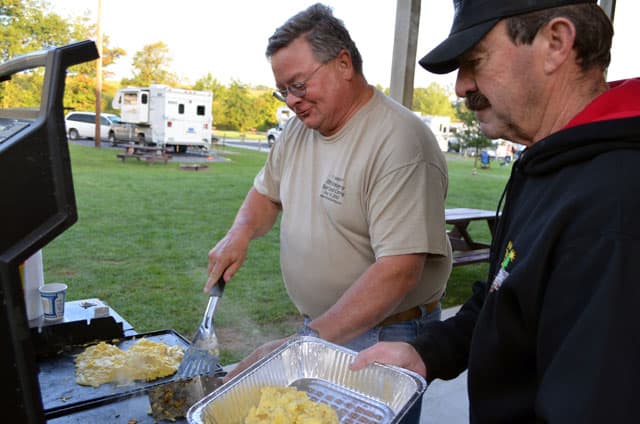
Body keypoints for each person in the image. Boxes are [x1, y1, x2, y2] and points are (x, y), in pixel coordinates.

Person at [351, 0, 640, 422]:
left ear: (556, 43)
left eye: (475, 61)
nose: (461, 87)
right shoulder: (548, 162)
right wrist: (425, 353)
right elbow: (502, 296)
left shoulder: (616, 205)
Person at [205, 1, 451, 393]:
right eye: (282, 90)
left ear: (343, 64)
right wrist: (240, 232)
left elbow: (400, 270)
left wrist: (306, 343)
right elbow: (266, 194)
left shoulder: (400, 143)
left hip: (385, 334)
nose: (290, 100)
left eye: (299, 85)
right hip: (326, 326)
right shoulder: (298, 130)